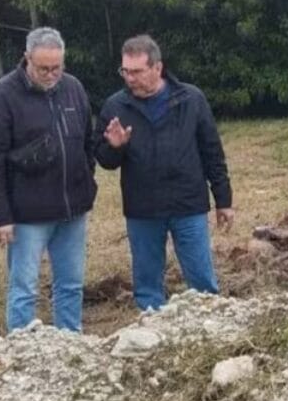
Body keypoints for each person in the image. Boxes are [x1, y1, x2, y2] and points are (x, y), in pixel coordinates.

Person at [95, 35, 233, 311]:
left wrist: (224, 200)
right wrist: (115, 147)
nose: (130, 78)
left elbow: (212, 152)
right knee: (147, 287)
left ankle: (208, 321)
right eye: (125, 71)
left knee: (202, 281)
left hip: (188, 204)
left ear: (157, 68)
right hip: (143, 209)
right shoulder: (115, 107)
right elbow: (105, 161)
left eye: (137, 71)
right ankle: (152, 325)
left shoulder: (190, 99)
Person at [0, 27, 97, 333]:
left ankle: (70, 342)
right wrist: (1, 217)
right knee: (24, 288)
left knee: (71, 285)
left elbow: (87, 142)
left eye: (57, 67)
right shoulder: (2, 96)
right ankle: (22, 347)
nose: (51, 74)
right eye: (43, 68)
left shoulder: (74, 88)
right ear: (27, 58)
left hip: (72, 211)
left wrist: (87, 185)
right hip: (27, 216)